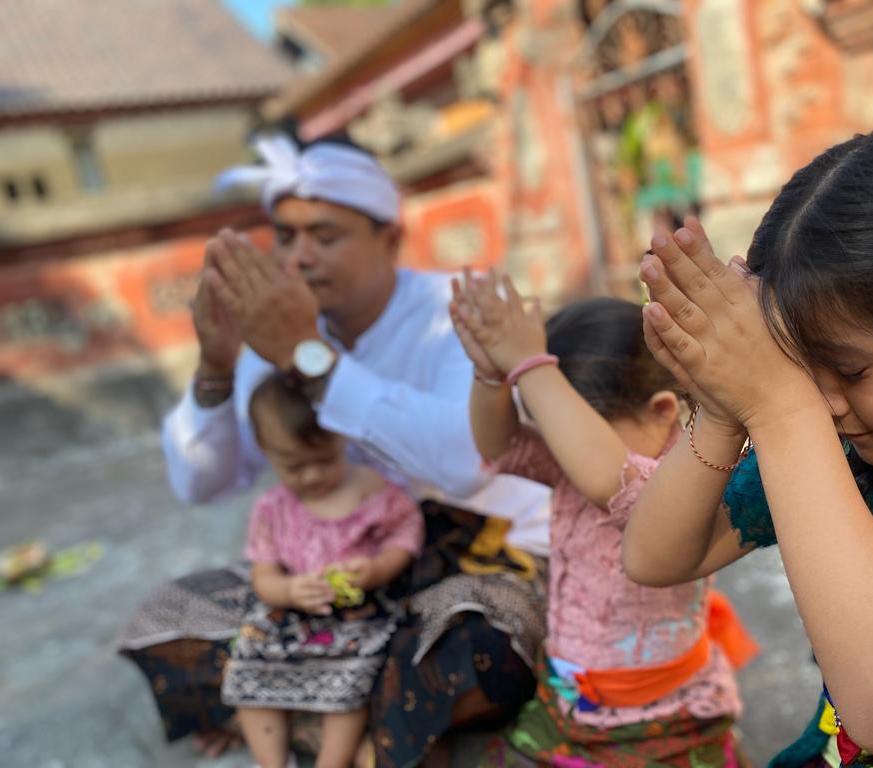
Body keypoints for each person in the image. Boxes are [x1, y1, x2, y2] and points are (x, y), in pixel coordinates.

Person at [118, 134, 550, 767]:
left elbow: (465, 463)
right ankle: (377, 728)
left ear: (390, 239)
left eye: (325, 235)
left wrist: (307, 357)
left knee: (478, 645)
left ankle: (290, 717)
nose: (299, 258)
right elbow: (200, 484)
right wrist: (215, 364)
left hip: (467, 565)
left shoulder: (458, 306)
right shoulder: (276, 330)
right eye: (285, 237)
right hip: (325, 584)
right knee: (168, 617)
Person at [624, 126, 873, 767]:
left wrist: (780, 406)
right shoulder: (859, 451)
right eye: (805, 370)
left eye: (853, 371)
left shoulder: (818, 431)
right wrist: (728, 409)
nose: (826, 405)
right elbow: (655, 555)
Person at [449, 272, 756, 767]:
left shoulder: (682, 477)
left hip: (660, 711)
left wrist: (531, 367)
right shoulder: (568, 458)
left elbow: (609, 483)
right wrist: (490, 375)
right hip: (571, 694)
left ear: (661, 411)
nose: (556, 441)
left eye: (568, 424)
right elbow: (500, 445)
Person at [224, 371, 423, 768]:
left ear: (342, 437)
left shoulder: (371, 489)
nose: (312, 476)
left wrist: (377, 569)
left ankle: (330, 763)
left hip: (356, 616)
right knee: (247, 668)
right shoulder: (271, 509)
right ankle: (272, 762)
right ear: (266, 452)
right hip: (290, 614)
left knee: (348, 681)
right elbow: (263, 576)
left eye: (324, 460)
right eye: (294, 466)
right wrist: (289, 590)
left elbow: (405, 533)